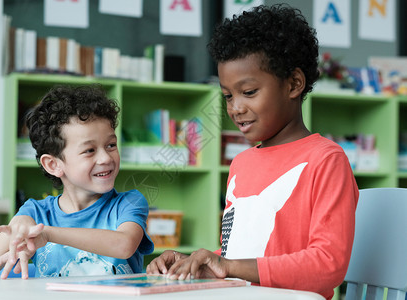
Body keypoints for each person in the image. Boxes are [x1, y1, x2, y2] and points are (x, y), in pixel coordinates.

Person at [146, 4, 358, 300]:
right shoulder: (241, 163)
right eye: (228, 96)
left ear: (294, 84)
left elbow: (328, 264)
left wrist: (227, 264)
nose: (235, 108)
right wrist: (196, 262)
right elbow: (243, 253)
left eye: (248, 93)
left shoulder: (325, 159)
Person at [0, 84, 154, 279]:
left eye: (111, 145)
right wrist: (19, 227)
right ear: (53, 165)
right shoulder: (36, 212)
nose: (106, 158)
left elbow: (124, 245)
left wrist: (47, 234)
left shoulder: (128, 203)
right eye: (90, 150)